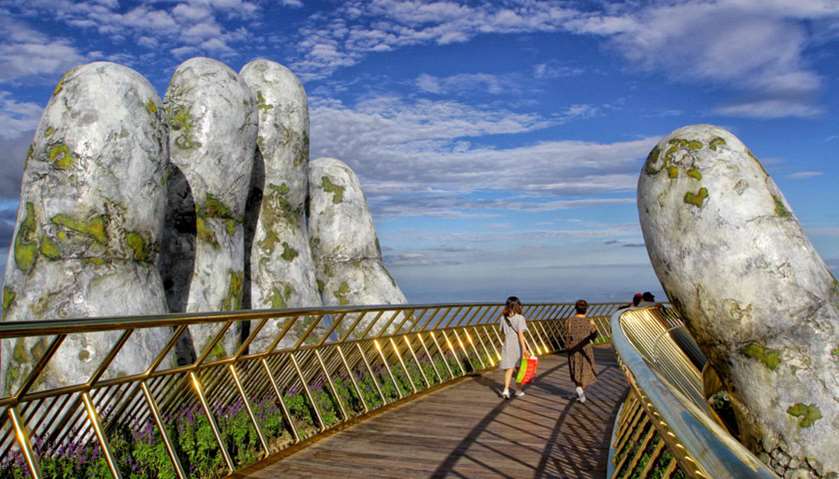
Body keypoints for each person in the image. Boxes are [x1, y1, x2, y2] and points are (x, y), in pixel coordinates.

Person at [565, 299, 598, 403]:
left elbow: (566, 335)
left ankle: (580, 394)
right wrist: (594, 325)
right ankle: (581, 391)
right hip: (586, 349)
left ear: (575, 308)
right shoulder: (589, 322)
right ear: (586, 309)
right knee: (587, 370)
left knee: (576, 370)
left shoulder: (569, 321)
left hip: (573, 350)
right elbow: (594, 336)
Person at [499, 296, 531, 399]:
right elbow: (521, 335)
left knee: (509, 369)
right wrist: (525, 349)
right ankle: (518, 390)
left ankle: (506, 390)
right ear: (517, 305)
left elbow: (502, 332)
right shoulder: (520, 318)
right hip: (517, 346)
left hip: (507, 345)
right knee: (519, 369)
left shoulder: (503, 318)